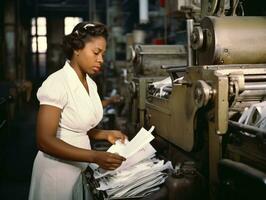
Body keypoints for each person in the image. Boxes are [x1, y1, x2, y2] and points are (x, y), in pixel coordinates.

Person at [28, 21, 127, 200]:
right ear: (76, 49)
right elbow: (44, 140)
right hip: (56, 174)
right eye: (96, 52)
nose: (101, 60)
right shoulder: (57, 83)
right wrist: (95, 156)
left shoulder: (90, 84)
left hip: (78, 171)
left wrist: (106, 134)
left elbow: (76, 127)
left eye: (103, 54)